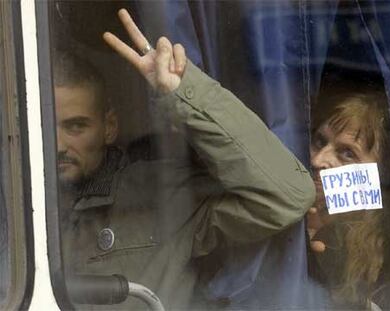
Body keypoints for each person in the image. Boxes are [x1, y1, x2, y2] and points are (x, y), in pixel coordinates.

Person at [55, 9, 315, 310]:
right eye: (45, 127)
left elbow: (287, 196)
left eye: (76, 126)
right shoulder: (14, 208)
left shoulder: (160, 194)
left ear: (109, 127)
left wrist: (184, 93)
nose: (59, 144)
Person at [307, 90, 390, 309]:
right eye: (319, 141)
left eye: (348, 153)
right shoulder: (298, 228)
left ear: (379, 177)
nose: (317, 160)